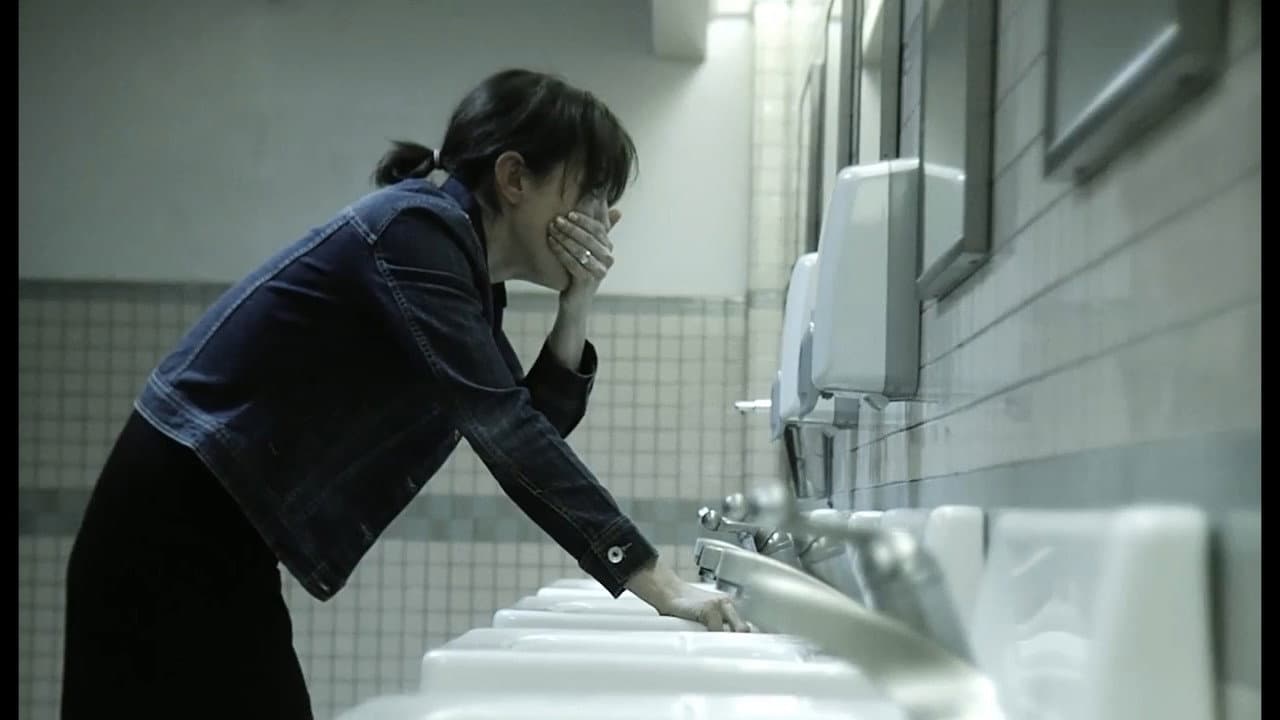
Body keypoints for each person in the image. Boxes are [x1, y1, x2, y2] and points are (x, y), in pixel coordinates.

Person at [60, 68, 748, 720]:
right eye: (590, 193)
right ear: (514, 178)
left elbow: (533, 423)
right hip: (172, 518)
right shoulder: (415, 235)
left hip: (206, 524)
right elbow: (507, 429)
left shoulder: (458, 267)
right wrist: (657, 582)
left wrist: (578, 301)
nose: (602, 218)